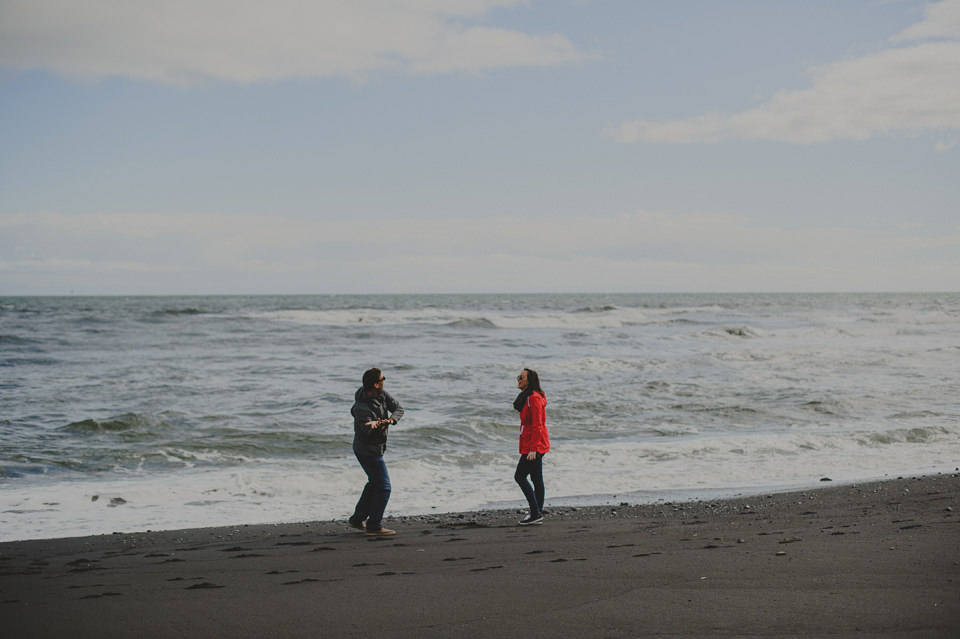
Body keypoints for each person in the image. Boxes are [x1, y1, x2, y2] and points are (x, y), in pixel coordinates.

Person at [348, 367, 404, 536]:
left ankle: (357, 520)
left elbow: (399, 408)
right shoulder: (361, 409)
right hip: (366, 451)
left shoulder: (382, 394)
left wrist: (390, 420)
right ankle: (374, 524)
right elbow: (367, 434)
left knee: (374, 483)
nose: (384, 381)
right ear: (375, 384)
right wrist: (378, 426)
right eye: (382, 379)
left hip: (377, 449)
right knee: (384, 487)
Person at [513, 368, 550, 525]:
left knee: (520, 477)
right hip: (533, 443)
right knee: (536, 478)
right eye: (518, 376)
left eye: (521, 377)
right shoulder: (528, 397)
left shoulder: (533, 398)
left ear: (529, 380)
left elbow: (537, 425)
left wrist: (533, 449)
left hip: (535, 445)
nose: (518, 379)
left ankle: (535, 513)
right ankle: (537, 513)